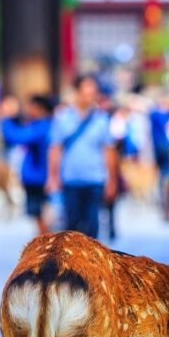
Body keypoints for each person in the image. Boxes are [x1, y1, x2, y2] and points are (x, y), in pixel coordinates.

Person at [46, 74, 117, 239]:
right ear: (77, 92)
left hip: (95, 179)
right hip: (70, 179)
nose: (90, 97)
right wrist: (52, 177)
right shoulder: (63, 118)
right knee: (70, 228)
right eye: (86, 92)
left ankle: (91, 263)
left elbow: (109, 151)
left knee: (92, 226)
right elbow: (55, 149)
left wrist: (112, 181)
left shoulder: (101, 119)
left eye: (93, 93)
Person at [1, 95, 54, 233]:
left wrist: (6, 118)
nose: (28, 110)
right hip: (40, 176)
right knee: (40, 213)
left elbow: (16, 137)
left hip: (39, 178)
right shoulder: (46, 125)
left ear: (39, 108)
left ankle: (47, 243)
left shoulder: (41, 126)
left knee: (41, 212)